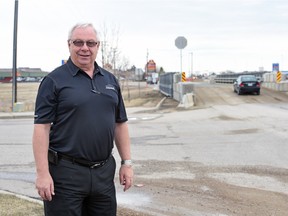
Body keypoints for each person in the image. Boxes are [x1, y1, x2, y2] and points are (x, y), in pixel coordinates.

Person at [32, 23, 133, 216]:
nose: (84, 48)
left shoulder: (110, 81)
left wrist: (126, 163)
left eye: (90, 43)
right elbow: (41, 128)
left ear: (98, 46)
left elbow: (120, 123)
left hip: (103, 173)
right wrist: (42, 173)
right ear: (69, 45)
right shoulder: (54, 81)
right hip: (65, 174)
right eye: (78, 42)